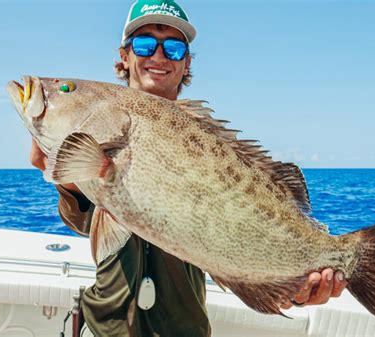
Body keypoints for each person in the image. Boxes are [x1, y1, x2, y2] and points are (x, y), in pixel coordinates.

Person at [30, 0, 347, 336]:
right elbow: (86, 224)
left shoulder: (207, 143)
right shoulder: (103, 132)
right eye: (144, 44)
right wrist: (67, 179)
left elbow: (248, 242)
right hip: (104, 328)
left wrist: (296, 288)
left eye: (174, 48)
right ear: (125, 56)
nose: (159, 56)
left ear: (187, 62)